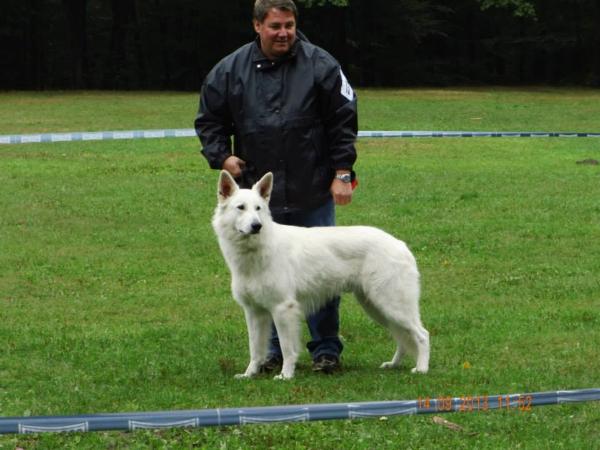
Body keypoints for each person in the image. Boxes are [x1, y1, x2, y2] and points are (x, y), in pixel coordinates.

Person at [195, 0, 357, 374]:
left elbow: (343, 119)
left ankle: (325, 350)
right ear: (257, 26)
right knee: (262, 280)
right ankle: (270, 354)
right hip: (258, 196)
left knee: (323, 274)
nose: (284, 33)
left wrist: (343, 171)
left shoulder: (321, 64)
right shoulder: (229, 70)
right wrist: (222, 157)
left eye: (289, 25)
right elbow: (208, 120)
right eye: (275, 26)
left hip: (311, 186)